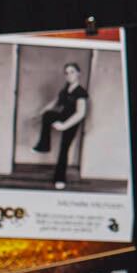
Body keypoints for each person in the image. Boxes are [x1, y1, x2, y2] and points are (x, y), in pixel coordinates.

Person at [33, 62, 89, 190]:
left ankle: (60, 178)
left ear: (78, 73)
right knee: (47, 115)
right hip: (63, 116)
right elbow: (54, 103)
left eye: (72, 72)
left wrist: (64, 126)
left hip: (72, 122)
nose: (69, 75)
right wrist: (40, 114)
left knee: (64, 149)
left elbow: (81, 113)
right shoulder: (65, 89)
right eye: (66, 73)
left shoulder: (81, 92)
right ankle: (43, 146)